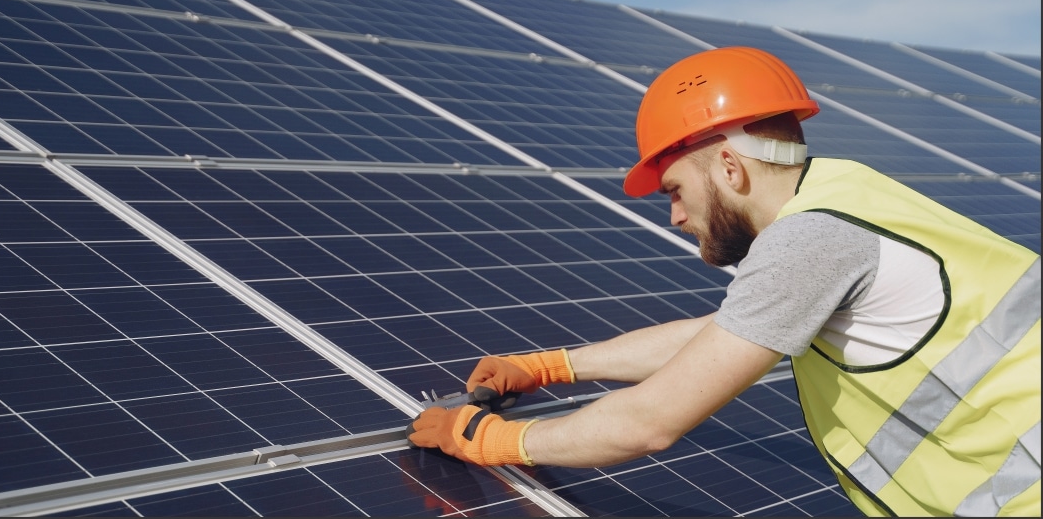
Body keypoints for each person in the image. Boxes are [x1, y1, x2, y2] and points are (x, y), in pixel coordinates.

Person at [407, 46, 1041, 516]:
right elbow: (727, 334)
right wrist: (550, 366)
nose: (676, 216)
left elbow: (649, 423)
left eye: (677, 190)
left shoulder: (810, 241)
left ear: (731, 168)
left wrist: (489, 439)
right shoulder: (845, 191)